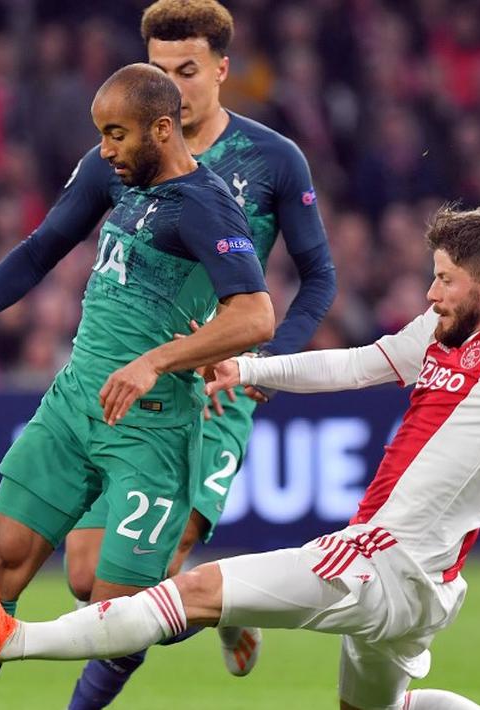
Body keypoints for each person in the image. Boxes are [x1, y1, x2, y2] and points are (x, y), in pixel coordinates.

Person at [0, 205, 480, 710]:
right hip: (424, 586)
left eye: (444, 280)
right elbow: (356, 364)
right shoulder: (441, 335)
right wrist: (248, 369)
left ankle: (9, 638)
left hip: (383, 562)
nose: (430, 294)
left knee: (193, 592)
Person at [0, 63, 274, 710]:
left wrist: (158, 360)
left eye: (117, 134)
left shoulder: (205, 206)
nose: (105, 148)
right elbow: (41, 248)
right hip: (73, 403)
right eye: (102, 134)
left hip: (151, 426)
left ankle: (218, 601)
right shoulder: (108, 172)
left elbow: (255, 315)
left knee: (118, 620)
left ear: (163, 129)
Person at [65, 2, 335, 704]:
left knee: (163, 558)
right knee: (87, 577)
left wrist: (267, 364)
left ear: (221, 69)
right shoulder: (126, 154)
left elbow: (319, 276)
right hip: (134, 384)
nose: (172, 87)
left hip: (215, 388)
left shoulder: (273, 159)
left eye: (186, 71)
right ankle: (227, 603)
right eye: (157, 70)